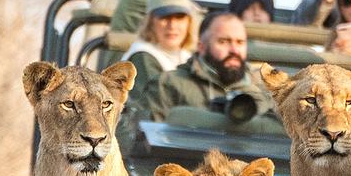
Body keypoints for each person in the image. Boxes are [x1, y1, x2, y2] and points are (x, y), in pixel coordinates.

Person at [121, 12, 282, 153]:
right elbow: (142, 146)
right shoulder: (168, 84)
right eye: (224, 41)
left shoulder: (267, 91)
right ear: (202, 47)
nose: (234, 50)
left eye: (240, 42)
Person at [121, 0, 197, 93]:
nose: (172, 26)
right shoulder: (142, 57)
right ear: (150, 22)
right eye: (165, 18)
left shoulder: (187, 56)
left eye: (179, 17)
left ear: (189, 22)